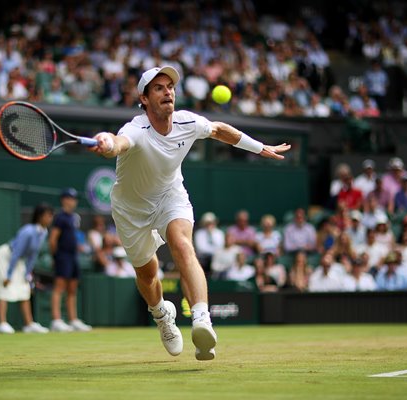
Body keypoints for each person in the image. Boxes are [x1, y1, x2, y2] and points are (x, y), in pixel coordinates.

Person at [88, 65, 291, 361]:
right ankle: (161, 316)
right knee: (148, 275)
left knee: (182, 245)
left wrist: (260, 148)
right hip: (131, 209)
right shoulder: (135, 129)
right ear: (144, 99)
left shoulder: (187, 122)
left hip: (171, 195)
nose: (168, 91)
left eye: (170, 86)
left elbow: (220, 130)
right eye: (158, 88)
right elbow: (118, 143)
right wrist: (107, 143)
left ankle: (201, 320)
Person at [0, 203, 53, 334]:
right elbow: (16, 252)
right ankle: (2, 323)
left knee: (24, 288)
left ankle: (28, 324)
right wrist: (8, 274)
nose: (50, 218)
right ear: (40, 216)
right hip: (6, 256)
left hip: (19, 260)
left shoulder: (43, 232)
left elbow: (33, 256)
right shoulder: (28, 231)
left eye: (51, 216)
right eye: (48, 215)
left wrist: (27, 274)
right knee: (5, 285)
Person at [49, 188, 93, 333]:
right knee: (59, 288)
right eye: (70, 198)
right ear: (64, 200)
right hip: (63, 256)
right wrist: (56, 257)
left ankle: (73, 320)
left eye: (74, 199)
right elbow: (53, 240)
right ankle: (56, 320)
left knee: (72, 289)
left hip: (74, 256)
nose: (73, 201)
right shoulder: (60, 217)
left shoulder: (73, 218)